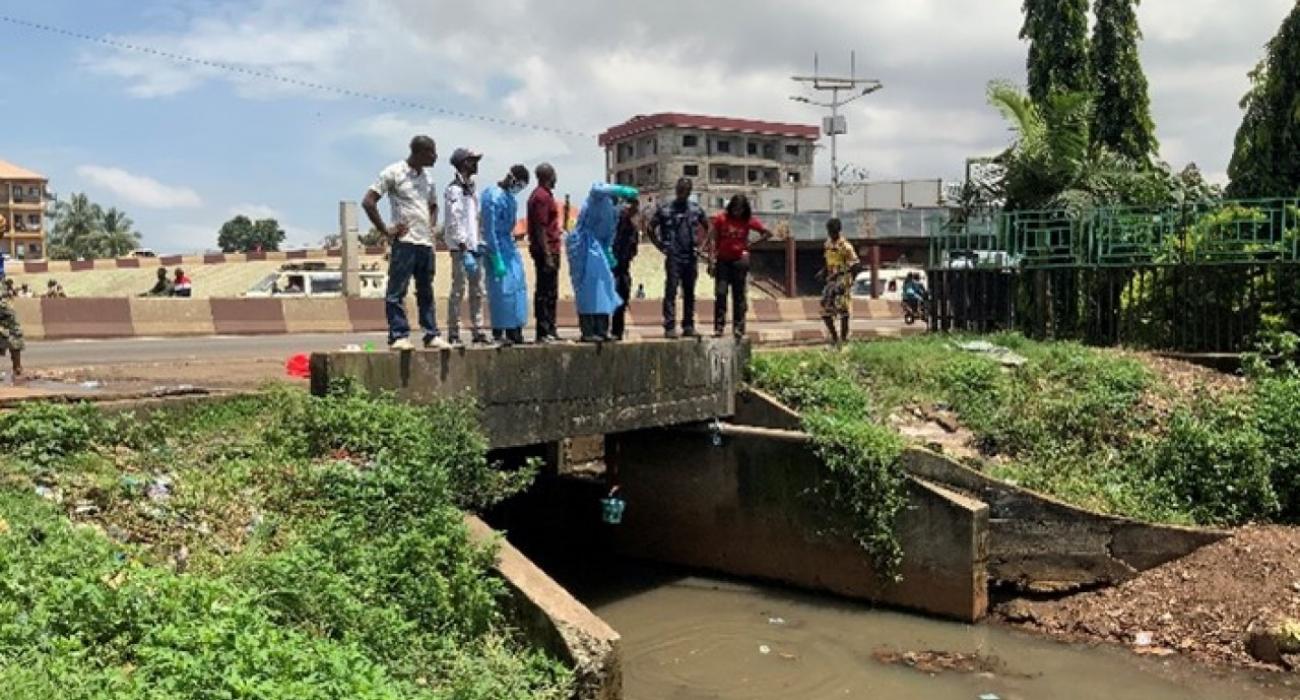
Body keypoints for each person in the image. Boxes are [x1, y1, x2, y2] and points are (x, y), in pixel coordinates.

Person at [362, 134, 446, 351]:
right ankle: (398, 335)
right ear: (419, 152)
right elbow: (369, 201)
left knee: (425, 290)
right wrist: (386, 230)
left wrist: (432, 227)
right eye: (432, 152)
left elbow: (433, 205)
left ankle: (431, 334)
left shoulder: (429, 179)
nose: (435, 156)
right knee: (397, 290)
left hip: (425, 243)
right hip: (405, 241)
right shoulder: (394, 173)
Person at [567, 183, 637, 342]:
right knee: (586, 290)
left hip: (599, 251)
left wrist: (608, 252)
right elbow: (596, 188)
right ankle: (588, 331)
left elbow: (609, 236)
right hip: (582, 248)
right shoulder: (597, 199)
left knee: (603, 288)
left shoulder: (614, 213)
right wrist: (620, 188)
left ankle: (602, 330)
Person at [648, 178, 708, 338]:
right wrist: (660, 245)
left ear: (689, 192)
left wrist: (701, 247)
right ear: (676, 190)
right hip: (674, 255)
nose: (682, 193)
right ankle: (669, 326)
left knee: (689, 292)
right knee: (671, 290)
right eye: (680, 190)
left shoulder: (695, 210)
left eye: (686, 190)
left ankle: (688, 325)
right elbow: (650, 228)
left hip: (690, 254)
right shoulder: (666, 209)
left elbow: (708, 227)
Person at [706, 194, 772, 338]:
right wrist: (711, 258)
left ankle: (739, 328)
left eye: (740, 210)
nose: (737, 212)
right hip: (723, 261)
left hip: (739, 261)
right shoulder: (721, 219)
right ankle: (719, 327)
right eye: (735, 209)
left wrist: (749, 245)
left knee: (739, 296)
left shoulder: (747, 220)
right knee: (721, 293)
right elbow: (712, 238)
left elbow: (767, 233)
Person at [481, 164, 531, 346]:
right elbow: (490, 229)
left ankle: (515, 329)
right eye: (519, 185)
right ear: (511, 179)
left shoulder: (511, 199)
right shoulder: (491, 196)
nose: (518, 189)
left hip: (509, 247)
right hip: (497, 248)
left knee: (517, 288)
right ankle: (499, 331)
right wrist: (496, 257)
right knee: (501, 291)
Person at [444, 148, 488, 346]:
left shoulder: (473, 190)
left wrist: (479, 243)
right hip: (461, 250)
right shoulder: (454, 190)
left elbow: (475, 219)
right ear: (463, 164)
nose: (476, 164)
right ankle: (454, 332)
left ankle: (478, 329)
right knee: (458, 290)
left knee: (477, 291)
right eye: (472, 161)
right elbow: (454, 221)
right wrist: (463, 247)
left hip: (474, 247)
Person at [528, 163, 562, 343]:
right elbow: (540, 228)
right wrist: (547, 254)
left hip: (552, 249)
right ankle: (544, 330)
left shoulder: (546, 195)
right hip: (546, 251)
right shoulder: (541, 197)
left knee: (551, 291)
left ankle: (551, 328)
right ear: (548, 175)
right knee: (545, 291)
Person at [818, 218, 860, 345]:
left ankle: (843, 338)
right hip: (831, 280)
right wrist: (823, 271)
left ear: (838, 231)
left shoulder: (846, 246)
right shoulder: (828, 244)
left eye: (833, 231)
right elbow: (828, 261)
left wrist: (842, 273)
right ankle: (835, 337)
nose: (831, 233)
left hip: (843, 280)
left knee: (843, 311)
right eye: (830, 231)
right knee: (825, 310)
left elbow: (855, 264)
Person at [611, 198, 640, 341]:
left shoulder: (632, 226)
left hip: (623, 267)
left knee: (622, 297)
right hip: (614, 266)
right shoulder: (619, 221)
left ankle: (617, 331)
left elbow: (634, 248)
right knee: (613, 296)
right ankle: (611, 330)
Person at [0, 294, 22, 378]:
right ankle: (17, 367)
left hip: (10, 331)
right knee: (15, 348)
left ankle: (17, 368)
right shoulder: (6, 305)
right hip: (7, 331)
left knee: (15, 349)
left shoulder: (5, 306)